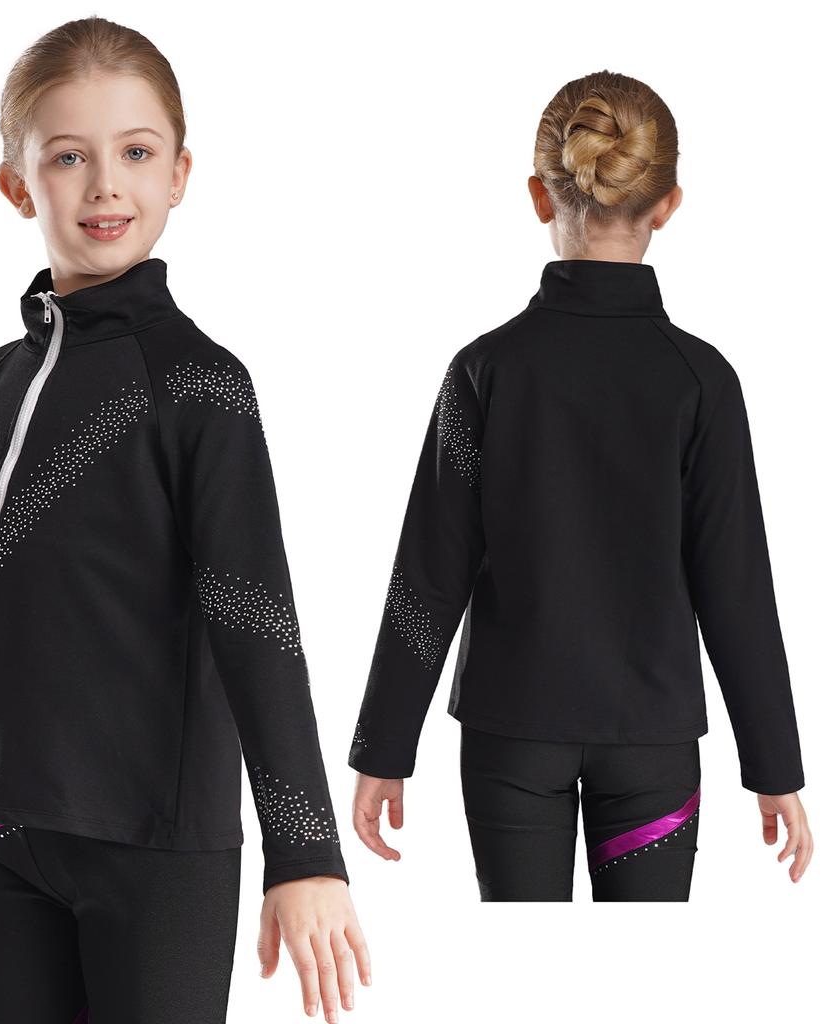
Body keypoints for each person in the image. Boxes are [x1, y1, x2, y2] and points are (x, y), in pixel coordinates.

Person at [0, 16, 367, 1022]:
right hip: (0, 838)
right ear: (18, 184)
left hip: (156, 851)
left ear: (179, 174)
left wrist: (304, 853)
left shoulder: (200, 387)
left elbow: (255, 624)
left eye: (135, 153)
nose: (103, 186)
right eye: (67, 157)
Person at [347, 69, 813, 902]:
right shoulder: (701, 381)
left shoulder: (485, 370)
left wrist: (384, 748)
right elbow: (735, 587)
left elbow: (429, 572)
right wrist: (774, 767)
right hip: (653, 749)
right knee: (640, 971)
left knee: (524, 967)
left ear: (540, 195)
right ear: (668, 205)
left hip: (511, 738)